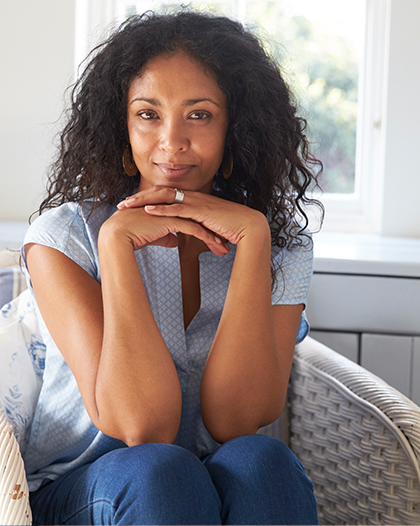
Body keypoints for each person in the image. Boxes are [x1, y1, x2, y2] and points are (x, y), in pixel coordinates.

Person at [21, 9, 322, 525]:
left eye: (199, 114)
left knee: (264, 459)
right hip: (88, 490)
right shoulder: (65, 238)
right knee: (162, 471)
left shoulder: (278, 245)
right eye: (148, 113)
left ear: (236, 126)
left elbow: (237, 421)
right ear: (122, 125)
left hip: (211, 482)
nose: (172, 141)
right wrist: (116, 245)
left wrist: (252, 241)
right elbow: (143, 426)